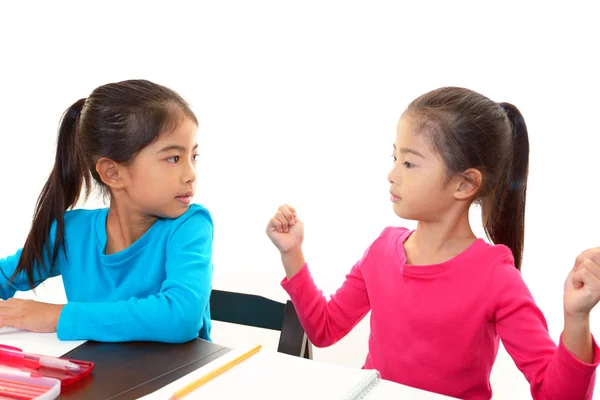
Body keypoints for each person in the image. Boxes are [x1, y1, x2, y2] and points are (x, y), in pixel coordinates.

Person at [266, 87, 600, 399]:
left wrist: (576, 318)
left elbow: (558, 395)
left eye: (409, 163)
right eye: (394, 158)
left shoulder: (496, 277)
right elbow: (324, 329)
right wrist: (292, 252)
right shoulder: (382, 250)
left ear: (465, 183)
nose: (393, 174)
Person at [0, 79, 213, 343]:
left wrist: (56, 316)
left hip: (181, 381)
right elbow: (6, 275)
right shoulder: (71, 233)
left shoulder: (189, 226)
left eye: (193, 157)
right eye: (173, 158)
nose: (190, 175)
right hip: (95, 378)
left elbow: (180, 317)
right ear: (112, 173)